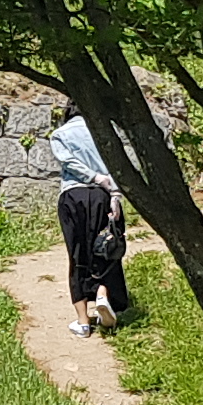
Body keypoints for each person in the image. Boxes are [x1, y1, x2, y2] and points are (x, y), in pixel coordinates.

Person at [50, 110, 134, 336]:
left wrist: (91, 177)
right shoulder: (105, 133)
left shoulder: (60, 134)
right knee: (106, 248)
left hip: (73, 196)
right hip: (103, 196)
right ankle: (102, 296)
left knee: (77, 254)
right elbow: (118, 165)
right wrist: (115, 195)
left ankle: (83, 322)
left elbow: (67, 161)